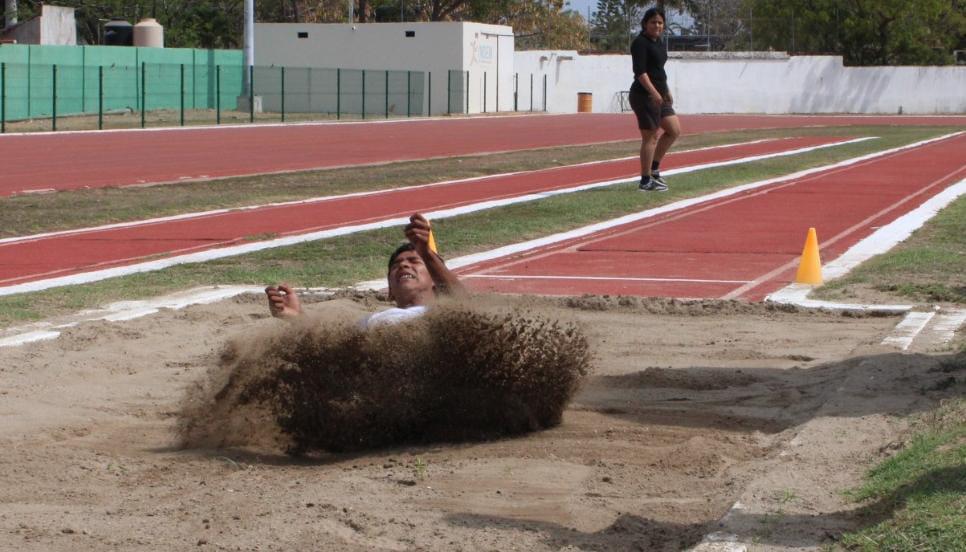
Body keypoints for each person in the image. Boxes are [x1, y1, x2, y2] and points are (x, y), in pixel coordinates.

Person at [265, 213, 465, 328]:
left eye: (414, 261)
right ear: (388, 290)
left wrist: (427, 254)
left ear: (434, 281)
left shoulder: (445, 314)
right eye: (395, 266)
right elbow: (330, 349)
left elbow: (462, 299)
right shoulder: (371, 321)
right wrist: (297, 318)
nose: (403, 265)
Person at [628, 7, 682, 192]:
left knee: (674, 130)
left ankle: (654, 168)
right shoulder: (640, 43)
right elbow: (641, 73)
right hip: (644, 96)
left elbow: (660, 71)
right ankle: (645, 181)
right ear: (645, 24)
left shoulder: (659, 42)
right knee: (651, 137)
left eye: (660, 22)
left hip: (660, 95)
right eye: (653, 22)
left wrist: (666, 91)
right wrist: (655, 93)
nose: (657, 25)